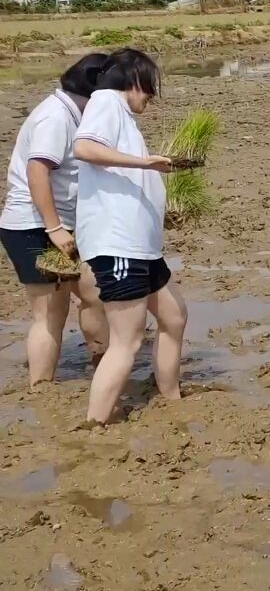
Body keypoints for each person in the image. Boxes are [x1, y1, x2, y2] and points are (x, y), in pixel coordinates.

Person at [72, 48, 186, 424]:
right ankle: (96, 423)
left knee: (173, 317)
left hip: (141, 247)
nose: (151, 99)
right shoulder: (106, 102)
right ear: (135, 80)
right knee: (128, 341)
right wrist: (145, 162)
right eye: (150, 89)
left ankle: (171, 397)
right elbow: (84, 148)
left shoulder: (120, 113)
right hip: (119, 245)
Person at [0, 54, 110, 387]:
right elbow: (38, 173)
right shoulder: (55, 118)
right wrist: (55, 228)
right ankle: (42, 387)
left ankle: (103, 364)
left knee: (94, 293)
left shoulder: (73, 115)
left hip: (62, 222)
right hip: (33, 226)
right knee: (50, 312)